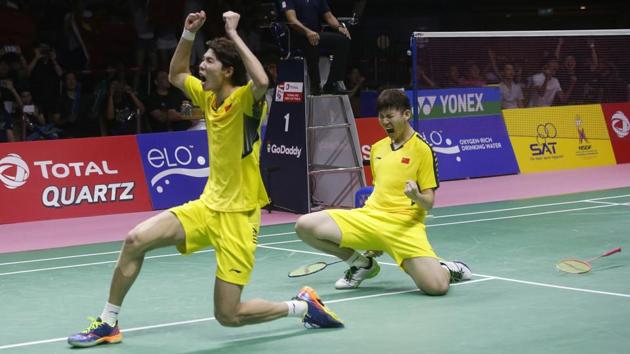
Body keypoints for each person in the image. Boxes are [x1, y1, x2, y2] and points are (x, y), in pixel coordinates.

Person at [67, 10, 343, 348]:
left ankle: (302, 306)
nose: (202, 65)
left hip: (240, 218)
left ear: (227, 71)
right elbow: (176, 73)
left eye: (209, 61)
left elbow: (261, 82)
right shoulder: (207, 98)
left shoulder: (245, 101)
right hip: (208, 206)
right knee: (135, 240)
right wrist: (187, 34)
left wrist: (234, 33)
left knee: (228, 315)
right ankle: (108, 323)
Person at [294, 89, 472, 294]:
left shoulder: (422, 150)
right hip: (370, 218)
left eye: (390, 116)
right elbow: (380, 191)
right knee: (304, 226)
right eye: (381, 116)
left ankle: (447, 269)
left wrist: (416, 196)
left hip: (404, 227)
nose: (385, 121)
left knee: (436, 288)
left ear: (406, 114)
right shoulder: (378, 148)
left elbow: (429, 202)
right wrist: (373, 236)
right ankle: (361, 264)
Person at [279, 0, 351, 95]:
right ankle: (315, 85)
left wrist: (340, 27)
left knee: (343, 41)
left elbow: (329, 16)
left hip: (316, 34)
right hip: (297, 36)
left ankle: (331, 83)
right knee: (312, 42)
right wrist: (307, 32)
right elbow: (292, 20)